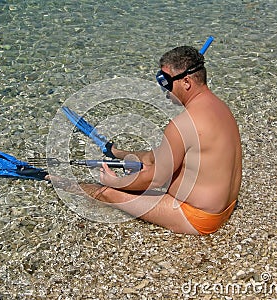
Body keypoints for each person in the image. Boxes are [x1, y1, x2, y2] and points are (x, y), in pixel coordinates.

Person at [82, 46, 242, 235]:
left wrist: (116, 182)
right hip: (227, 205)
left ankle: (53, 178)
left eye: (165, 82)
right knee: (155, 157)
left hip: (198, 217)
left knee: (106, 192)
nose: (164, 91)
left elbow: (156, 180)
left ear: (187, 82)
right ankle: (115, 152)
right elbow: (161, 160)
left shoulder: (182, 125)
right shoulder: (221, 108)